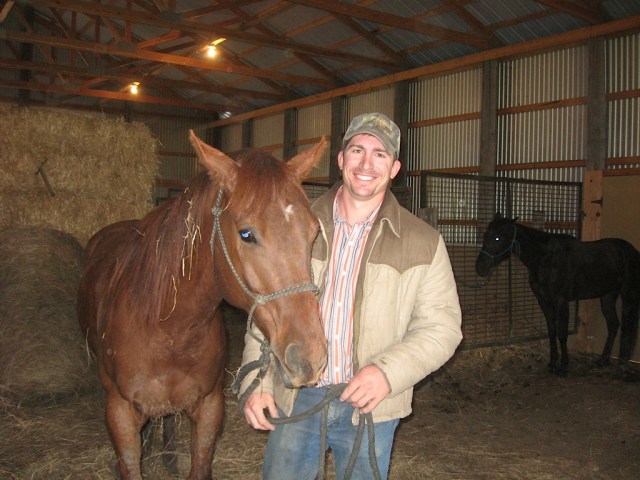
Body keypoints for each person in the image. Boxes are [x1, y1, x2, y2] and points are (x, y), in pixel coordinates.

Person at [239, 112, 463, 480]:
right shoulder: (294, 223)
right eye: (357, 150)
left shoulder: (423, 242)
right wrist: (257, 384)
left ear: (394, 168)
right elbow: (266, 310)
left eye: (380, 154)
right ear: (341, 160)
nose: (366, 164)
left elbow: (442, 328)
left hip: (372, 406)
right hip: (297, 395)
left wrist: (387, 374)